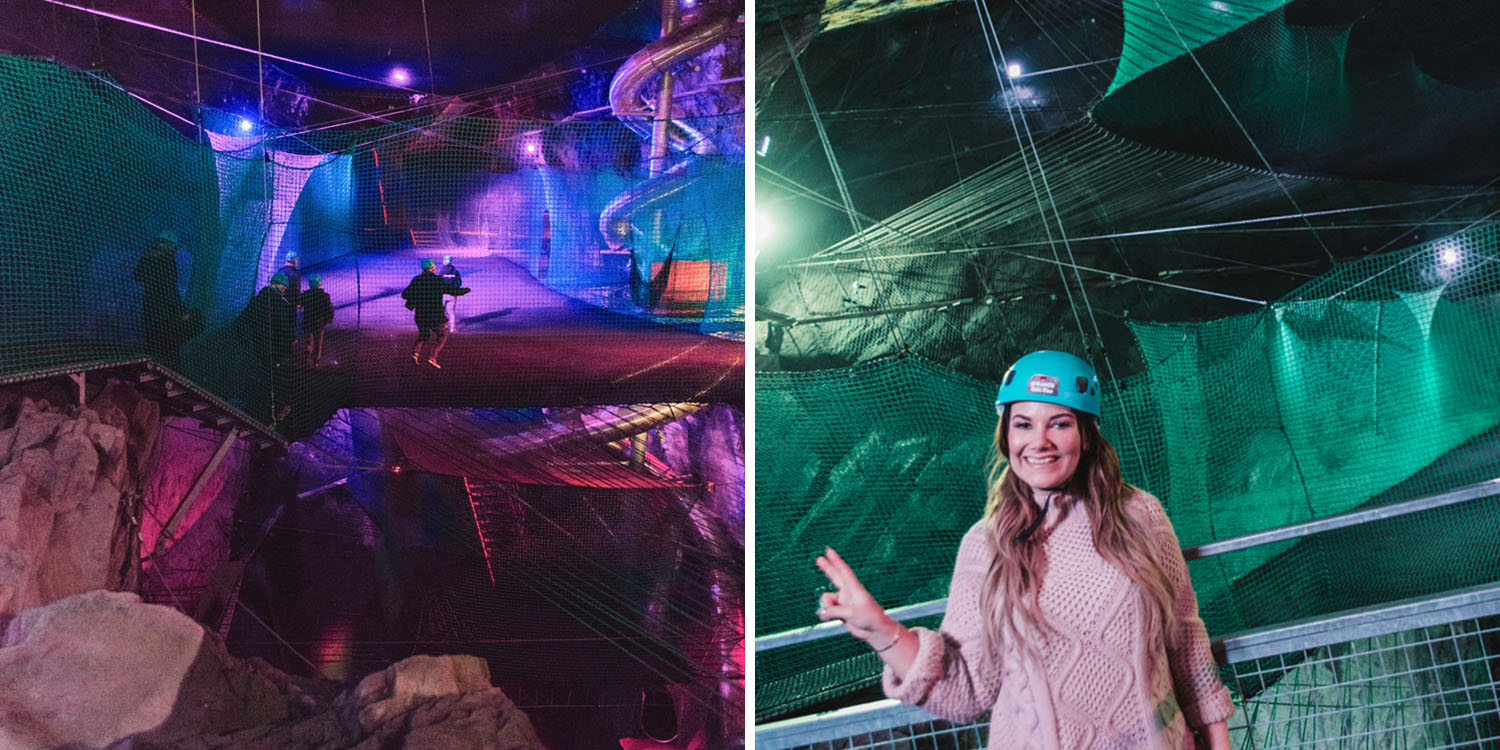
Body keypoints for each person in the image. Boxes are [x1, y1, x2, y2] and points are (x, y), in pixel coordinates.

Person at [814, 351, 1234, 750]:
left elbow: (1186, 642)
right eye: (1024, 424)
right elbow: (964, 692)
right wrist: (882, 631)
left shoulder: (1140, 515)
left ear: (1087, 435)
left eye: (1060, 423)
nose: (1040, 441)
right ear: (1006, 434)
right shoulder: (986, 545)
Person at [232, 272, 297, 421]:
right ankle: (274, 410)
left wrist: (246, 342)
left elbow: (241, 321)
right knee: (275, 377)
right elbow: (284, 327)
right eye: (283, 287)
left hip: (257, 346)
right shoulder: (280, 304)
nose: (284, 290)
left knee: (262, 374)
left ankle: (257, 406)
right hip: (274, 348)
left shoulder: (258, 300)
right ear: (279, 285)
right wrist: (291, 340)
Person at [132, 230, 202, 364]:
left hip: (163, 306)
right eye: (160, 242)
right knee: (160, 340)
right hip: (156, 305)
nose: (161, 245)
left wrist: (181, 311)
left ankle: (166, 364)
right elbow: (138, 275)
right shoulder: (159, 260)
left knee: (166, 341)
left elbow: (169, 288)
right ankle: (162, 363)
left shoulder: (167, 261)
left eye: (165, 243)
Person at [401, 258, 469, 368]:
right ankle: (432, 358)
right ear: (432, 268)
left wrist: (417, 296)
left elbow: (404, 295)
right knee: (443, 334)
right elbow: (451, 291)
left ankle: (415, 354)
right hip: (434, 315)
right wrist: (464, 291)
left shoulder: (416, 280)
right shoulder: (437, 280)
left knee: (424, 334)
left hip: (420, 315)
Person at [301, 274, 334, 367]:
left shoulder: (306, 295)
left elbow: (300, 304)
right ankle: (316, 361)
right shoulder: (325, 296)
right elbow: (329, 309)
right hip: (319, 323)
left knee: (309, 342)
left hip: (308, 322)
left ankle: (307, 358)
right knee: (318, 342)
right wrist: (328, 319)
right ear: (320, 284)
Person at [437, 255, 462, 333]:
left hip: (443, 295)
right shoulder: (455, 271)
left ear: (444, 261)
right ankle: (452, 329)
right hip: (452, 295)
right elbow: (459, 283)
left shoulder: (441, 271)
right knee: (451, 313)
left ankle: (442, 327)